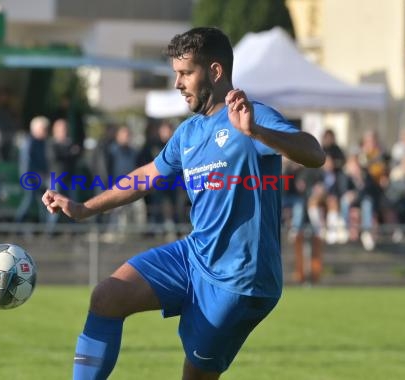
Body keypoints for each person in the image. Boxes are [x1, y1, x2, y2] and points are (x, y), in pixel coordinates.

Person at [42, 27, 325, 379]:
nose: (177, 83)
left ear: (215, 71)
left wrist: (257, 132)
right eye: (176, 73)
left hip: (239, 280)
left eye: (185, 73)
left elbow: (315, 153)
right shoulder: (189, 132)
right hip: (194, 256)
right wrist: (85, 208)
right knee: (107, 297)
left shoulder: (251, 116)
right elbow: (147, 175)